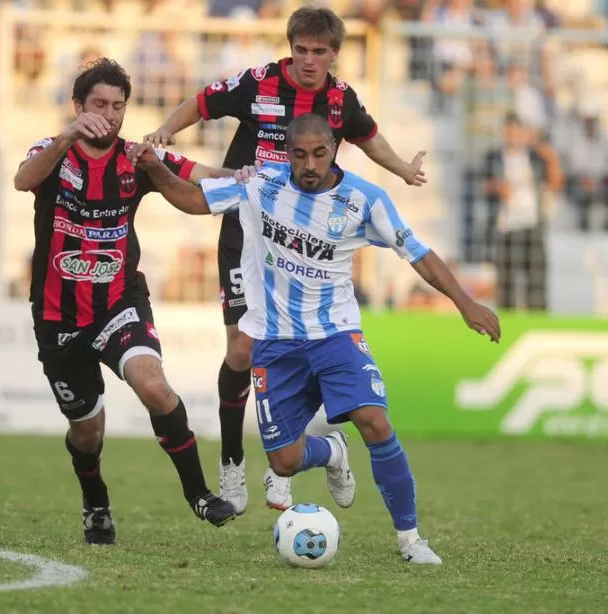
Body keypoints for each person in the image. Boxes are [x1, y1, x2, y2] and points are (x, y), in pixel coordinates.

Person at [128, 114, 501, 564]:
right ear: (286, 153)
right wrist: (153, 167)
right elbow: (191, 200)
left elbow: (418, 253)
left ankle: (411, 540)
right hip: (275, 342)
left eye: (319, 153)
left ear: (334, 150)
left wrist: (465, 303)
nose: (309, 164)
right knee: (284, 462)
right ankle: (331, 451)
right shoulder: (260, 184)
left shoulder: (365, 199)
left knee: (376, 423)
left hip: (335, 335)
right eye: (299, 154)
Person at [143, 6, 428, 514]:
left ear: (334, 54)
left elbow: (368, 135)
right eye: (302, 50)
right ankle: (233, 465)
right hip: (248, 229)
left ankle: (291, 465)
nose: (310, 60)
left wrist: (404, 169)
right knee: (239, 353)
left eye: (320, 51)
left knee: (284, 345)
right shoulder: (259, 83)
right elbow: (203, 102)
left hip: (304, 241)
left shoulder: (340, 100)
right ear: (291, 48)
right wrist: (166, 130)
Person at [12, 58, 249, 545]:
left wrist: (243, 175)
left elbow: (200, 175)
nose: (110, 115)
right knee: (87, 433)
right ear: (78, 106)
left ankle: (199, 494)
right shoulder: (53, 151)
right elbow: (22, 179)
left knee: (154, 385)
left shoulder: (136, 158)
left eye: (118, 106)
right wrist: (64, 138)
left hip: (119, 301)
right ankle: (95, 500)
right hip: (58, 316)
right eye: (99, 104)